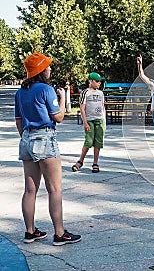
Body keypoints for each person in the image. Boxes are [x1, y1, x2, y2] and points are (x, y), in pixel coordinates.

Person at [15, 52, 81, 246]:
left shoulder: (21, 92)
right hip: (44, 137)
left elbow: (18, 120)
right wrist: (62, 98)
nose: (50, 69)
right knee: (54, 189)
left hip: (26, 138)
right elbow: (58, 117)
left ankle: (30, 232)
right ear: (41, 71)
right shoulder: (46, 89)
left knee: (30, 190)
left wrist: (27, 138)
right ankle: (60, 234)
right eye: (48, 67)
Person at [72, 72, 106, 173]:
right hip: (90, 120)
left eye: (100, 81)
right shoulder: (86, 92)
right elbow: (82, 108)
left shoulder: (100, 93)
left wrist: (104, 121)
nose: (99, 83)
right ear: (90, 81)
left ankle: (95, 163)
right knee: (89, 141)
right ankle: (80, 161)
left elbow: (103, 107)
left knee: (98, 142)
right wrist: (85, 122)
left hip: (99, 119)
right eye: (97, 81)